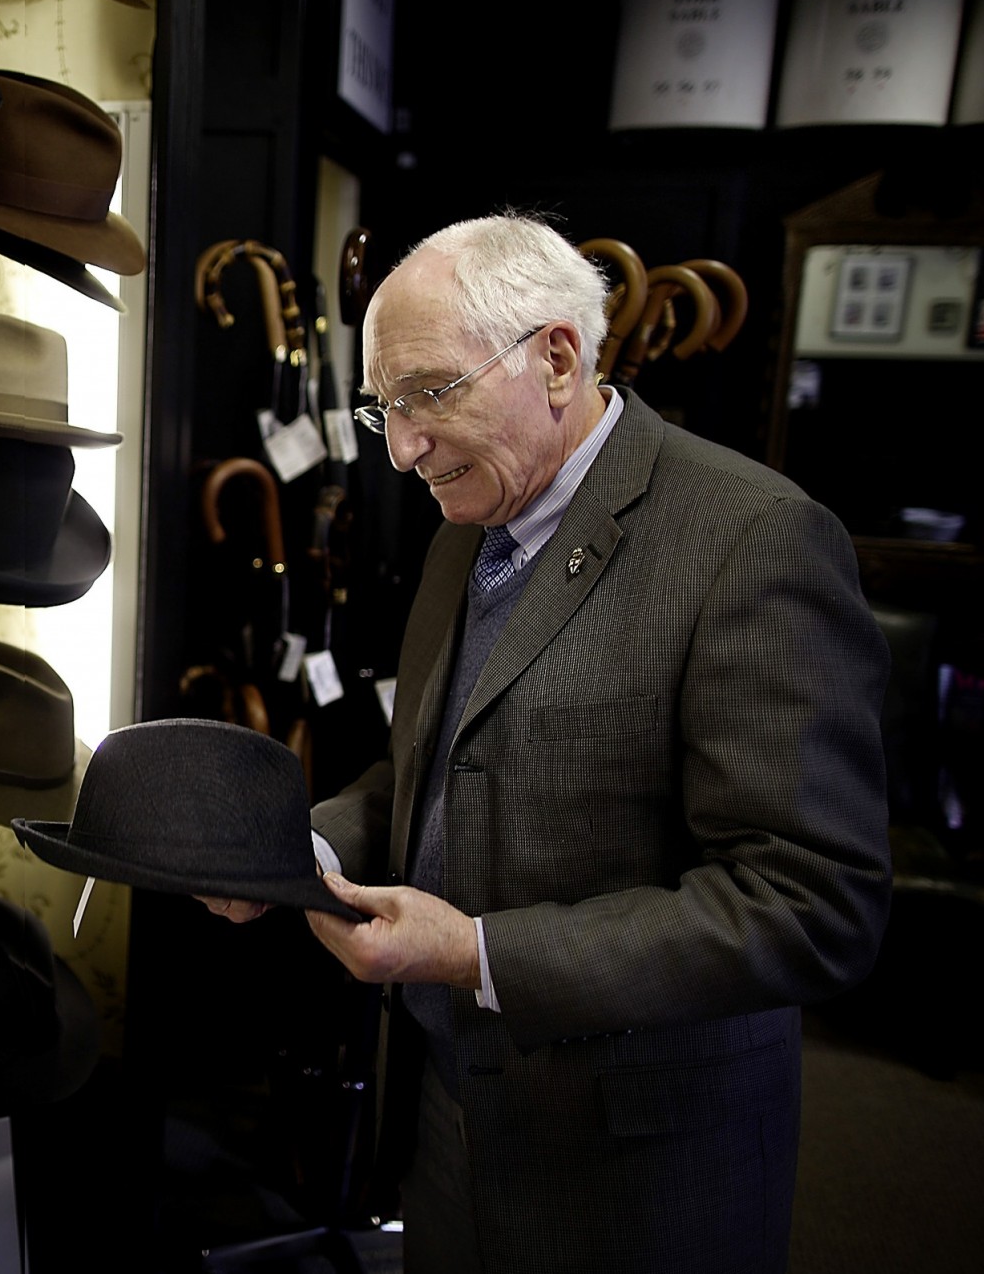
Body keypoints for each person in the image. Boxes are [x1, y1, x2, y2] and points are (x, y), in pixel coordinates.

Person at [199, 213, 891, 1273]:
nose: (401, 449)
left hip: (635, 1169)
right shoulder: (467, 526)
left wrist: (476, 955)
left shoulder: (752, 540)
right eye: (383, 407)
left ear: (556, 359)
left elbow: (812, 903)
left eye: (429, 394)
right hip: (445, 1120)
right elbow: (429, 764)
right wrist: (300, 853)